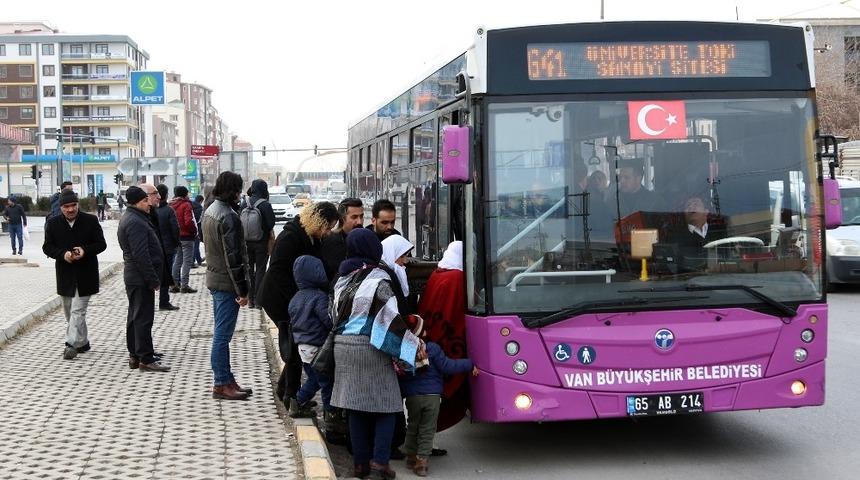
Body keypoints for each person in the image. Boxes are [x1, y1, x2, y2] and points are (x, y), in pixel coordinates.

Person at [330, 228, 426, 480]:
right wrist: (411, 343)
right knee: (387, 406)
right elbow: (389, 318)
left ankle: (360, 465)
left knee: (356, 407)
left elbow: (334, 315)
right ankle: (379, 464)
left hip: (342, 347)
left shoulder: (342, 277)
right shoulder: (378, 277)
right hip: (370, 347)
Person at [257, 201, 340, 413]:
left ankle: (285, 389)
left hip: (296, 300)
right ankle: (291, 398)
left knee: (295, 346)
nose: (327, 232)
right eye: (327, 227)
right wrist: (300, 300)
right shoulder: (291, 237)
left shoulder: (312, 237)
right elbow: (276, 271)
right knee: (294, 347)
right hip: (279, 299)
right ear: (317, 221)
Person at [399, 318, 477, 477]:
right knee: (428, 429)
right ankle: (422, 463)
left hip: (413, 397)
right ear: (421, 332)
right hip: (432, 397)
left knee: (413, 425)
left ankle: (410, 457)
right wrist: (469, 364)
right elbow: (448, 366)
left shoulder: (403, 350)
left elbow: (402, 375)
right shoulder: (432, 348)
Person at [202, 171, 253, 400]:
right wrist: (242, 291)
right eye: (239, 189)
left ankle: (227, 378)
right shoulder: (228, 216)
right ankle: (221, 383)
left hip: (215, 278)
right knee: (222, 335)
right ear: (233, 190)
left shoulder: (210, 210)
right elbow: (234, 259)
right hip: (226, 283)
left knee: (221, 333)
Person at [42, 190, 107, 360]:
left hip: (86, 273)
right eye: (66, 206)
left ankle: (70, 344)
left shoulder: (91, 220)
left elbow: (101, 244)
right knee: (69, 311)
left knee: (78, 311)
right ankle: (82, 342)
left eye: (73, 205)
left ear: (78, 204)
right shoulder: (53, 223)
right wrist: (63, 254)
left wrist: (84, 250)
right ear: (60, 207)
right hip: (65, 273)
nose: (70, 209)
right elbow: (47, 247)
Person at [417, 241, 470, 435]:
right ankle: (426, 440)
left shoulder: (438, 273)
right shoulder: (457, 278)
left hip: (432, 339)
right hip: (448, 342)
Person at [117, 185, 170, 372]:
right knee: (143, 318)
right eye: (146, 201)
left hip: (136, 277)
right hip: (140, 278)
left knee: (136, 316)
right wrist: (153, 279)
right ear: (138, 202)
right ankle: (145, 359)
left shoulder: (135, 218)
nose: (149, 204)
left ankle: (136, 354)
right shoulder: (135, 222)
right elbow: (141, 255)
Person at [288, 255, 334, 418]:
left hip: (303, 347)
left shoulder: (296, 298)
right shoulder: (319, 297)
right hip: (317, 346)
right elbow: (328, 321)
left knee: (314, 380)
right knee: (327, 382)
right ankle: (331, 415)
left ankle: (298, 403)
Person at [669, 196, 727, 272]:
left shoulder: (719, 232)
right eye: (688, 206)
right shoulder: (675, 237)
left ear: (706, 211)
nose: (691, 207)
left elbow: (730, 257)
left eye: (696, 204)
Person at [245, 179, 276, 309]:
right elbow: (271, 223)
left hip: (246, 242)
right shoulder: (265, 204)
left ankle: (250, 300)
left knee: (249, 270)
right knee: (261, 271)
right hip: (261, 242)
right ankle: (259, 301)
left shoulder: (244, 203)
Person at [321, 197, 364, 280]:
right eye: (354, 217)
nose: (359, 222)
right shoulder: (332, 241)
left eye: (361, 217)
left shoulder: (365, 240)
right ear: (342, 218)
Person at [154, 184, 180, 310]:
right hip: (168, 247)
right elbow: (175, 229)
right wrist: (176, 243)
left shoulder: (151, 211)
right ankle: (164, 301)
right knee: (165, 275)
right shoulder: (169, 211)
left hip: (154, 247)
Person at [170, 185, 198, 293]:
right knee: (187, 261)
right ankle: (184, 286)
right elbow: (189, 221)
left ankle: (174, 284)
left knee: (177, 260)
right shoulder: (186, 205)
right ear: (185, 194)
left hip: (177, 237)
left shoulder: (171, 205)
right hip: (187, 237)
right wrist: (194, 232)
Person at [192, 194, 204, 267]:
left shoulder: (191, 205)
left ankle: (196, 260)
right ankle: (198, 260)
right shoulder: (200, 208)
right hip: (196, 229)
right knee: (196, 245)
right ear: (201, 201)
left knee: (193, 246)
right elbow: (200, 220)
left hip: (190, 229)